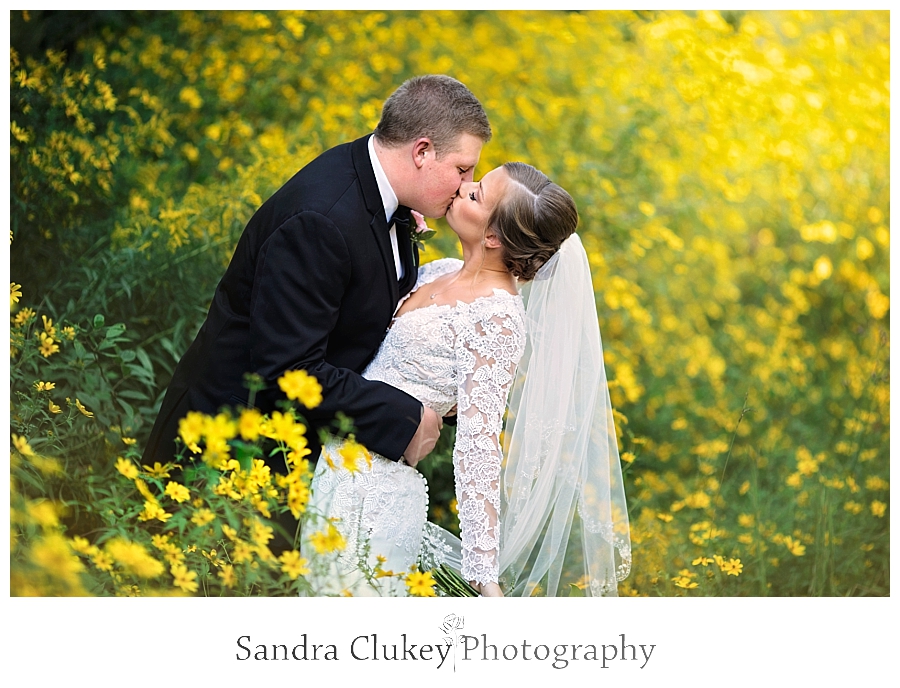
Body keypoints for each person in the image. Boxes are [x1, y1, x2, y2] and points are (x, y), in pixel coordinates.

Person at [141, 76, 492, 547]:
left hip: (294, 463)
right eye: (463, 169)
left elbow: (368, 330)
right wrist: (405, 416)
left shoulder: (385, 195)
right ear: (422, 151)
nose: (466, 186)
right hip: (224, 460)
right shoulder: (322, 221)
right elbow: (287, 369)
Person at [306, 162, 632, 597]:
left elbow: (479, 444)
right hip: (326, 467)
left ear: (493, 237)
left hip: (374, 496)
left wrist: (482, 572)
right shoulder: (437, 270)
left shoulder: (496, 319)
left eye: (476, 194)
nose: (462, 187)